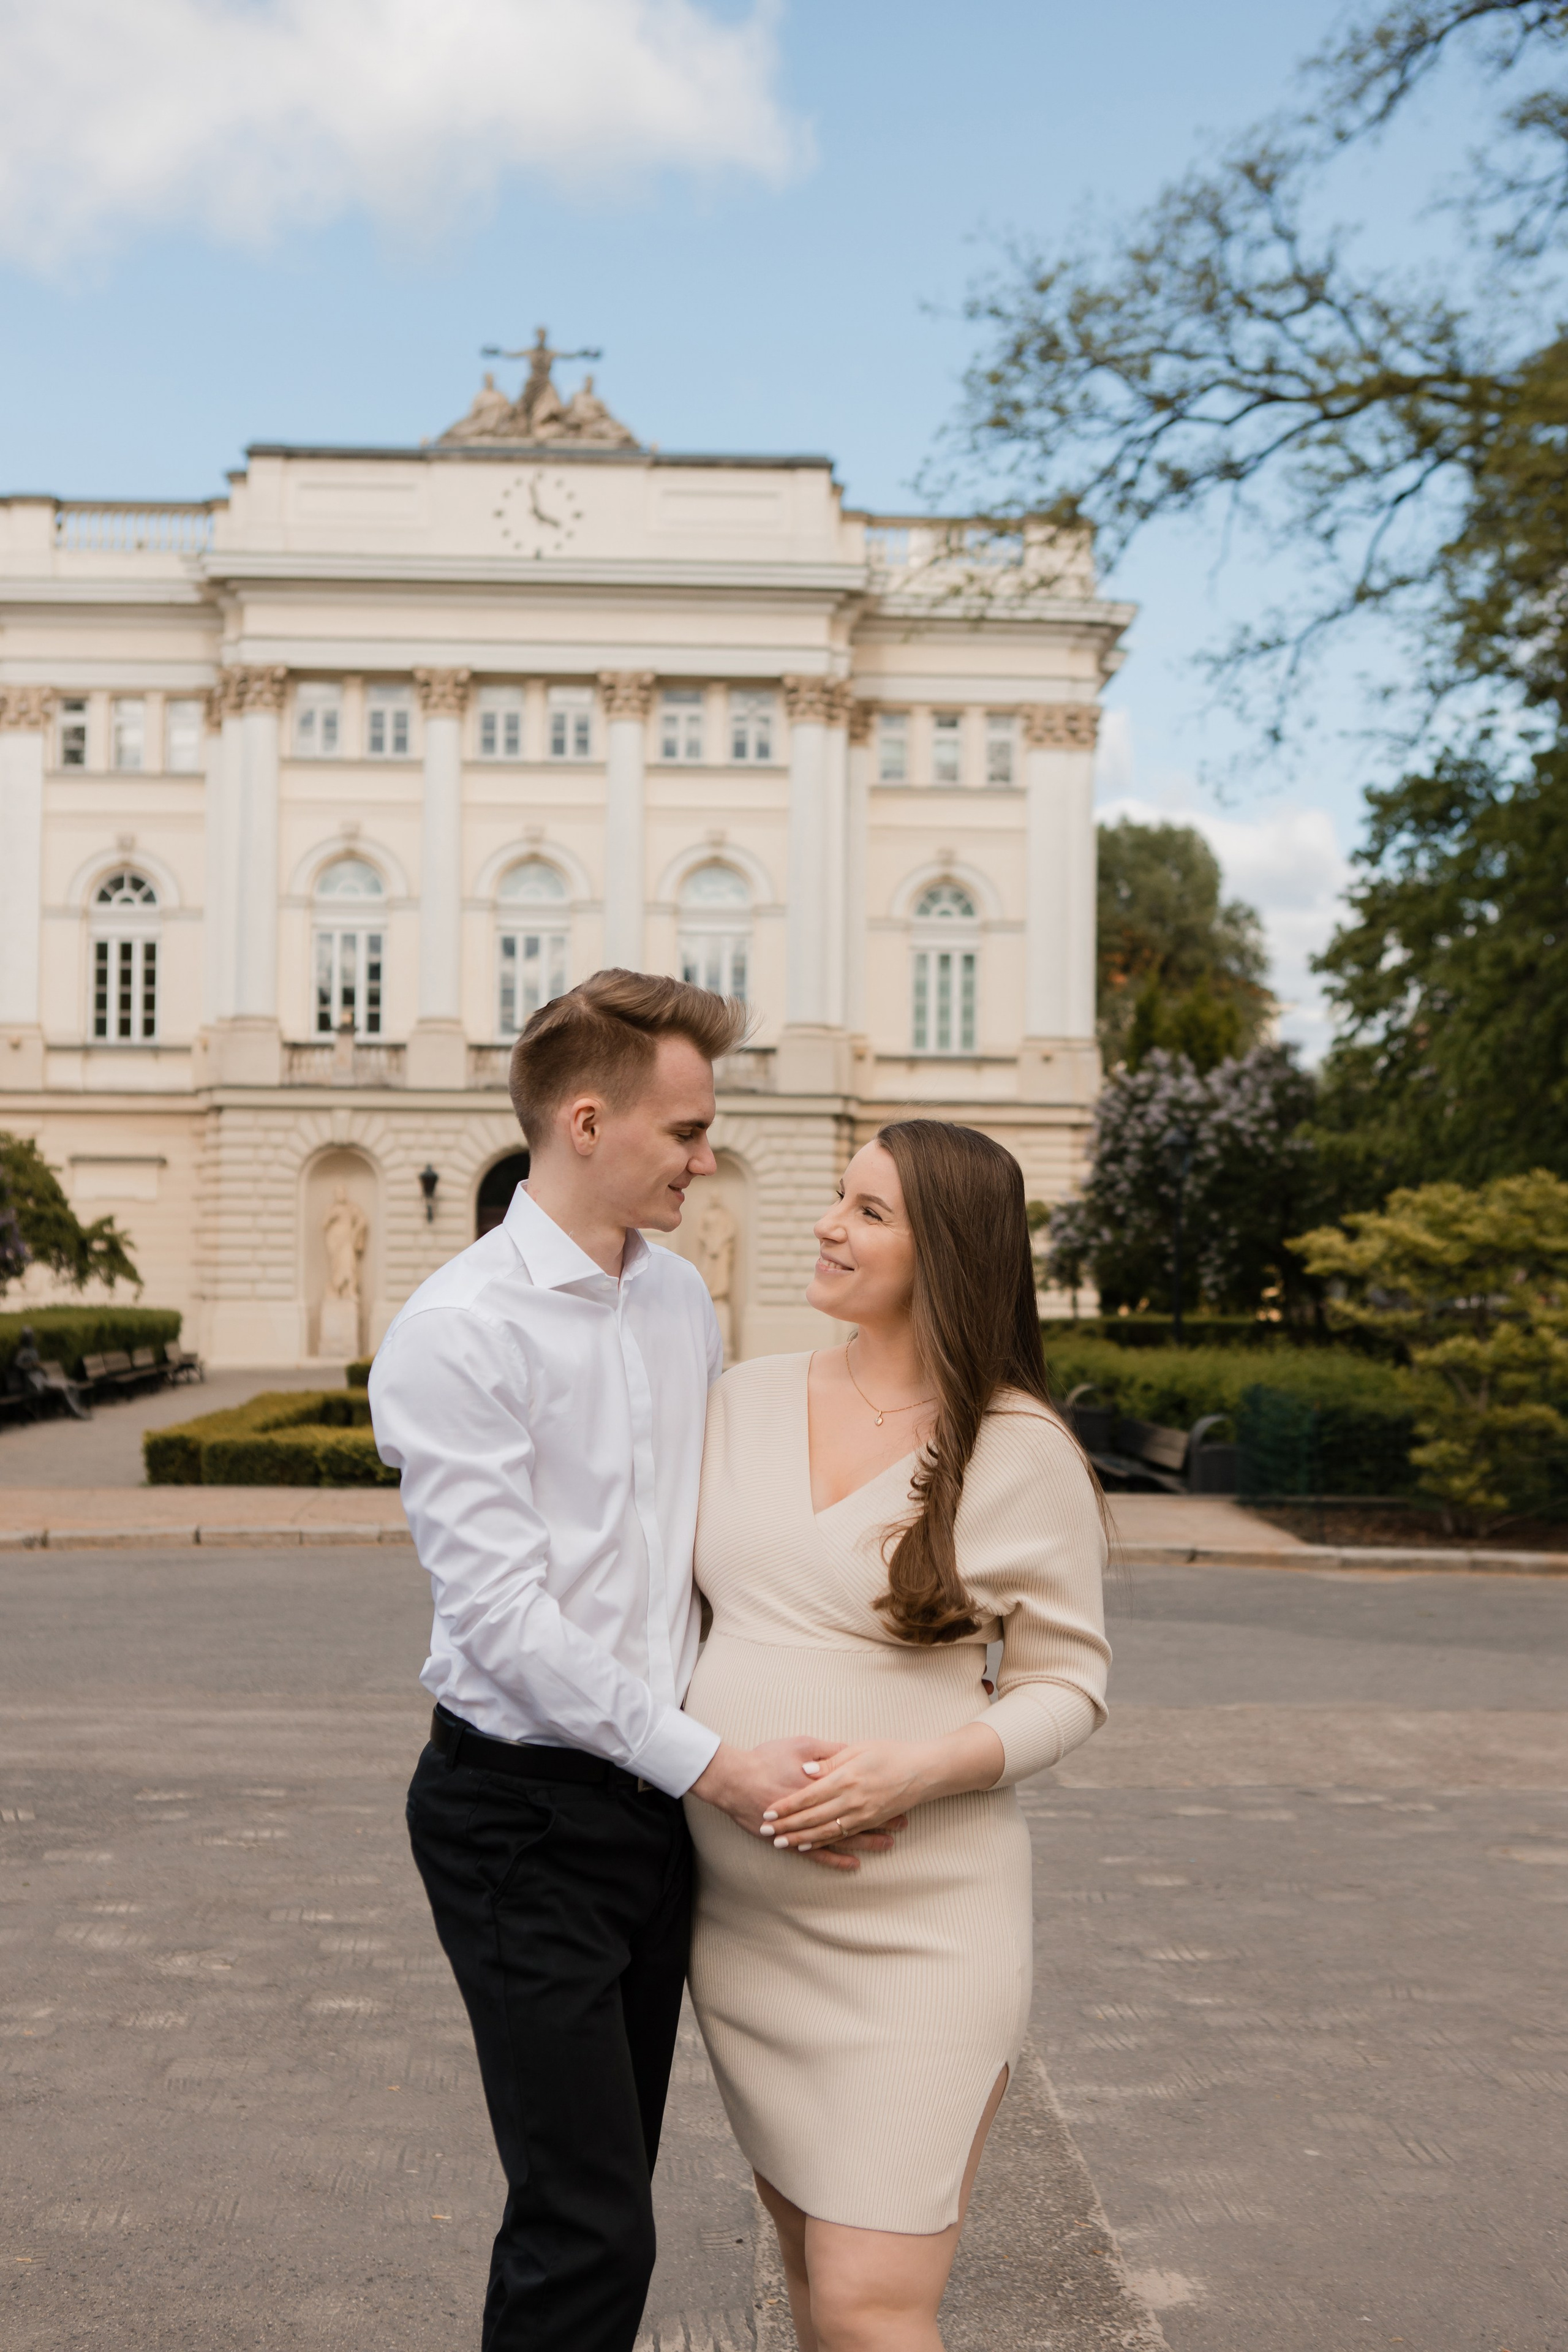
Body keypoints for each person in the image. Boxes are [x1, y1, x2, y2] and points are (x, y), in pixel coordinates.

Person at [369, 970, 888, 2352]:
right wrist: (712, 1765)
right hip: (522, 1820)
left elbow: (698, 1564)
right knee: (587, 2220)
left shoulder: (674, 1303)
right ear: (586, 1122)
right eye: (685, 1132)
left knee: (605, 2198)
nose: (705, 1160)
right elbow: (503, 1623)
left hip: (652, 1808)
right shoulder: (455, 1331)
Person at [684, 1118, 1111, 2351]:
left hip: (918, 1926)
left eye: (867, 1211)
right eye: (835, 1198)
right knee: (818, 2289)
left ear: (950, 1251)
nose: (826, 1224)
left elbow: (1067, 1686)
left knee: (874, 2307)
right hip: (745, 1926)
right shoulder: (740, 1398)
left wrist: (913, 1769)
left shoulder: (1018, 1447)